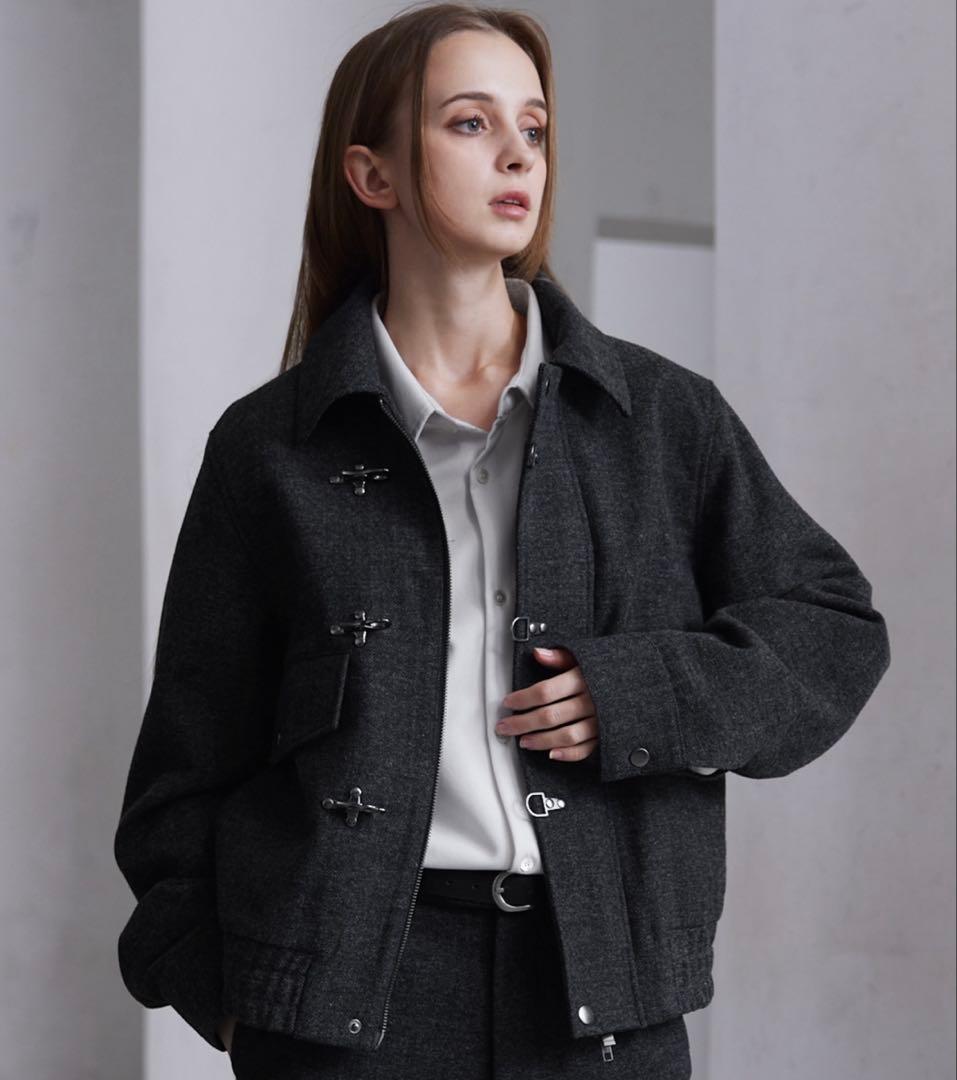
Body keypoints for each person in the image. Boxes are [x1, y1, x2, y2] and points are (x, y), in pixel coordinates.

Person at [113, 3, 891, 1079]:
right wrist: (238, 1007)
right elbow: (181, 775)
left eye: (533, 126)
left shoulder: (661, 420)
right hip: (342, 1014)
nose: (519, 153)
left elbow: (835, 630)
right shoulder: (270, 447)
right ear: (373, 175)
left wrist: (640, 695)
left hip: (600, 1003)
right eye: (470, 123)